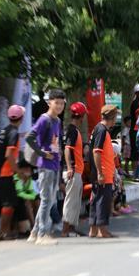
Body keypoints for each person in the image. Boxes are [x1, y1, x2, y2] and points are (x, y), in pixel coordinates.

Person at [24, 89, 65, 245]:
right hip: (45, 165)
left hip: (55, 164)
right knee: (47, 199)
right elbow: (29, 137)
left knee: (49, 199)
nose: (59, 106)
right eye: (57, 103)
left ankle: (34, 233)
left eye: (62, 103)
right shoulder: (44, 119)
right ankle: (42, 234)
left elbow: (56, 142)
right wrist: (41, 152)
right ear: (50, 103)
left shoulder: (58, 121)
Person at [0, 104, 24, 240]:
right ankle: (4, 232)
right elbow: (9, 154)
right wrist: (18, 171)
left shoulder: (4, 131)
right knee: (8, 203)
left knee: (11, 202)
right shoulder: (14, 133)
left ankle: (7, 230)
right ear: (21, 118)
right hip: (6, 173)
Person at [89, 105, 119, 238]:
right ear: (112, 117)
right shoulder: (101, 130)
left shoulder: (99, 129)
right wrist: (100, 173)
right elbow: (97, 152)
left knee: (96, 200)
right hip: (103, 174)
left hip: (101, 172)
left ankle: (94, 229)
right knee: (102, 201)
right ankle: (102, 229)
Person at [61, 102, 86, 237]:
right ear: (81, 116)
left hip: (77, 171)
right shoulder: (72, 130)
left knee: (75, 201)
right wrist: (70, 167)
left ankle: (71, 228)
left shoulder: (72, 130)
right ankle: (65, 230)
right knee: (70, 201)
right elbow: (67, 149)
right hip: (74, 171)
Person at [14, 160, 39, 235]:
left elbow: (32, 191)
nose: (28, 171)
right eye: (25, 169)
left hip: (26, 197)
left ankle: (37, 224)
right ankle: (33, 225)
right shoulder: (16, 178)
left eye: (29, 169)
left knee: (37, 201)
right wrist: (31, 196)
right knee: (27, 202)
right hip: (17, 198)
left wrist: (33, 196)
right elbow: (20, 193)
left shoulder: (29, 179)